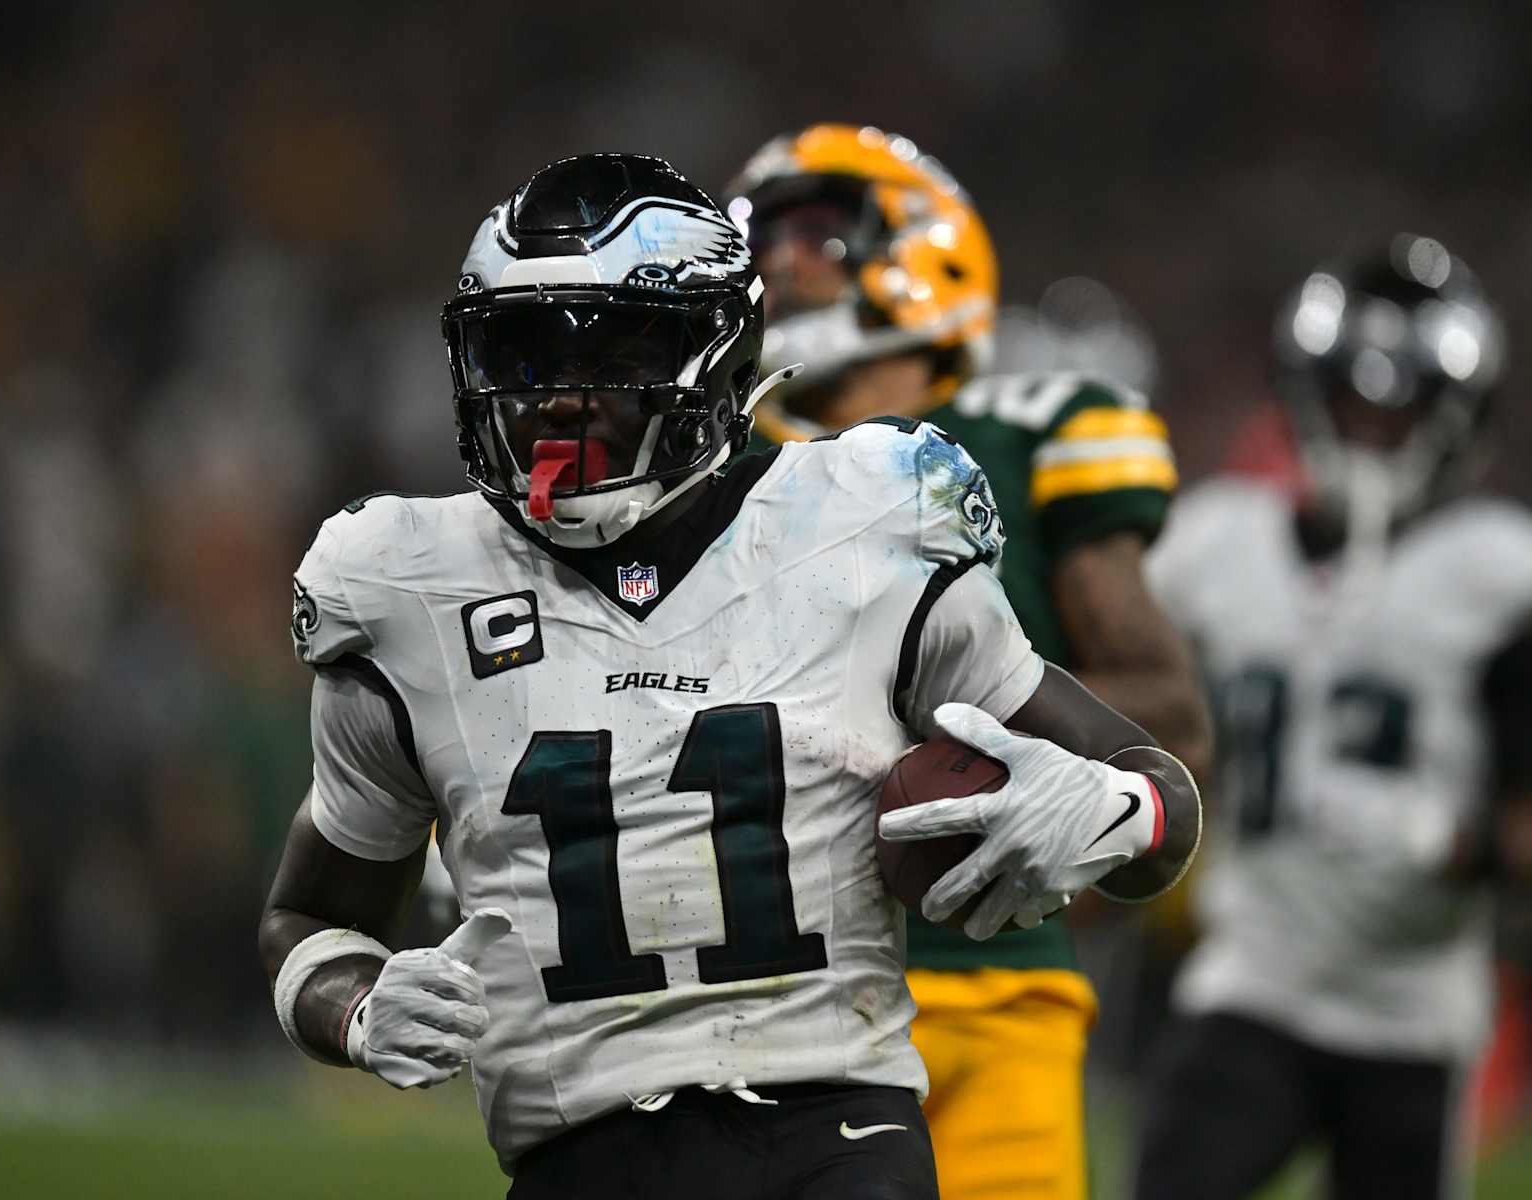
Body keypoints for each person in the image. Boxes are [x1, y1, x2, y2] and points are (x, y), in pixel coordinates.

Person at [258, 152, 1202, 1199]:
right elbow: (306, 919)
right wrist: (350, 1005)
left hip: (837, 1138)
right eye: (520, 352)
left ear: (715, 357)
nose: (557, 400)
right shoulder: (406, 591)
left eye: (614, 350)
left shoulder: (865, 521)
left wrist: (1112, 810)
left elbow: (1160, 788)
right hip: (577, 1160)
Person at [724, 124, 1212, 1200]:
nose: (777, 262)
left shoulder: (1027, 430)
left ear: (924, 245)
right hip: (765, 1006)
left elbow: (1170, 715)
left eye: (813, 229)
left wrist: (1034, 766)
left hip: (989, 987)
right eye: (759, 237)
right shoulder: (720, 466)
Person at [1134, 235, 1532, 1199]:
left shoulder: (1498, 573)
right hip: (1253, 979)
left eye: (1400, 415)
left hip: (1412, 1013)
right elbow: (1119, 699)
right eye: (1356, 406)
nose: (1374, 435)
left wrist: (1458, 841)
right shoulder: (1215, 545)